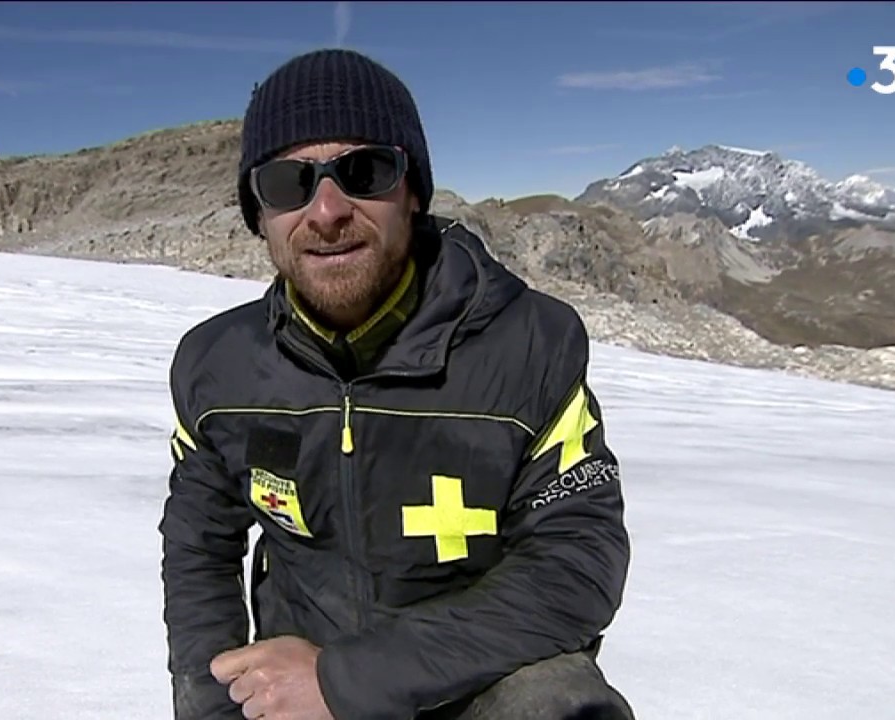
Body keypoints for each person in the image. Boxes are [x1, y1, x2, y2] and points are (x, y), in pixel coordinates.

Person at [159, 47, 633, 720]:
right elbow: (198, 547)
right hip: (293, 689)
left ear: (412, 191)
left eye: (364, 171)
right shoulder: (215, 367)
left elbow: (577, 563)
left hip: (474, 683)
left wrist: (345, 680)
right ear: (257, 214)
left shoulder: (531, 345)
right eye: (288, 183)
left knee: (561, 706)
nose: (326, 211)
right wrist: (214, 705)